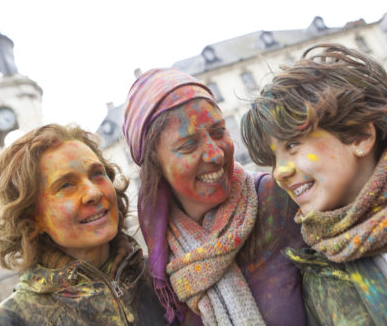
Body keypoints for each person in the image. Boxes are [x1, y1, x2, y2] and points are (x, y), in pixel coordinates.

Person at [241, 44, 387, 325]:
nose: (279, 172)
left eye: (292, 145)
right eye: (274, 158)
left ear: (359, 136)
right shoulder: (317, 276)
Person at [122, 69, 306, 325]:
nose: (215, 154)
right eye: (189, 145)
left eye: (219, 131)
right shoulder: (158, 263)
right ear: (155, 165)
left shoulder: (281, 200)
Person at [0, 124, 167, 326]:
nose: (93, 193)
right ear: (31, 218)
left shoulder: (163, 279)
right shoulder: (10, 321)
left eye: (97, 174)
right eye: (66, 185)